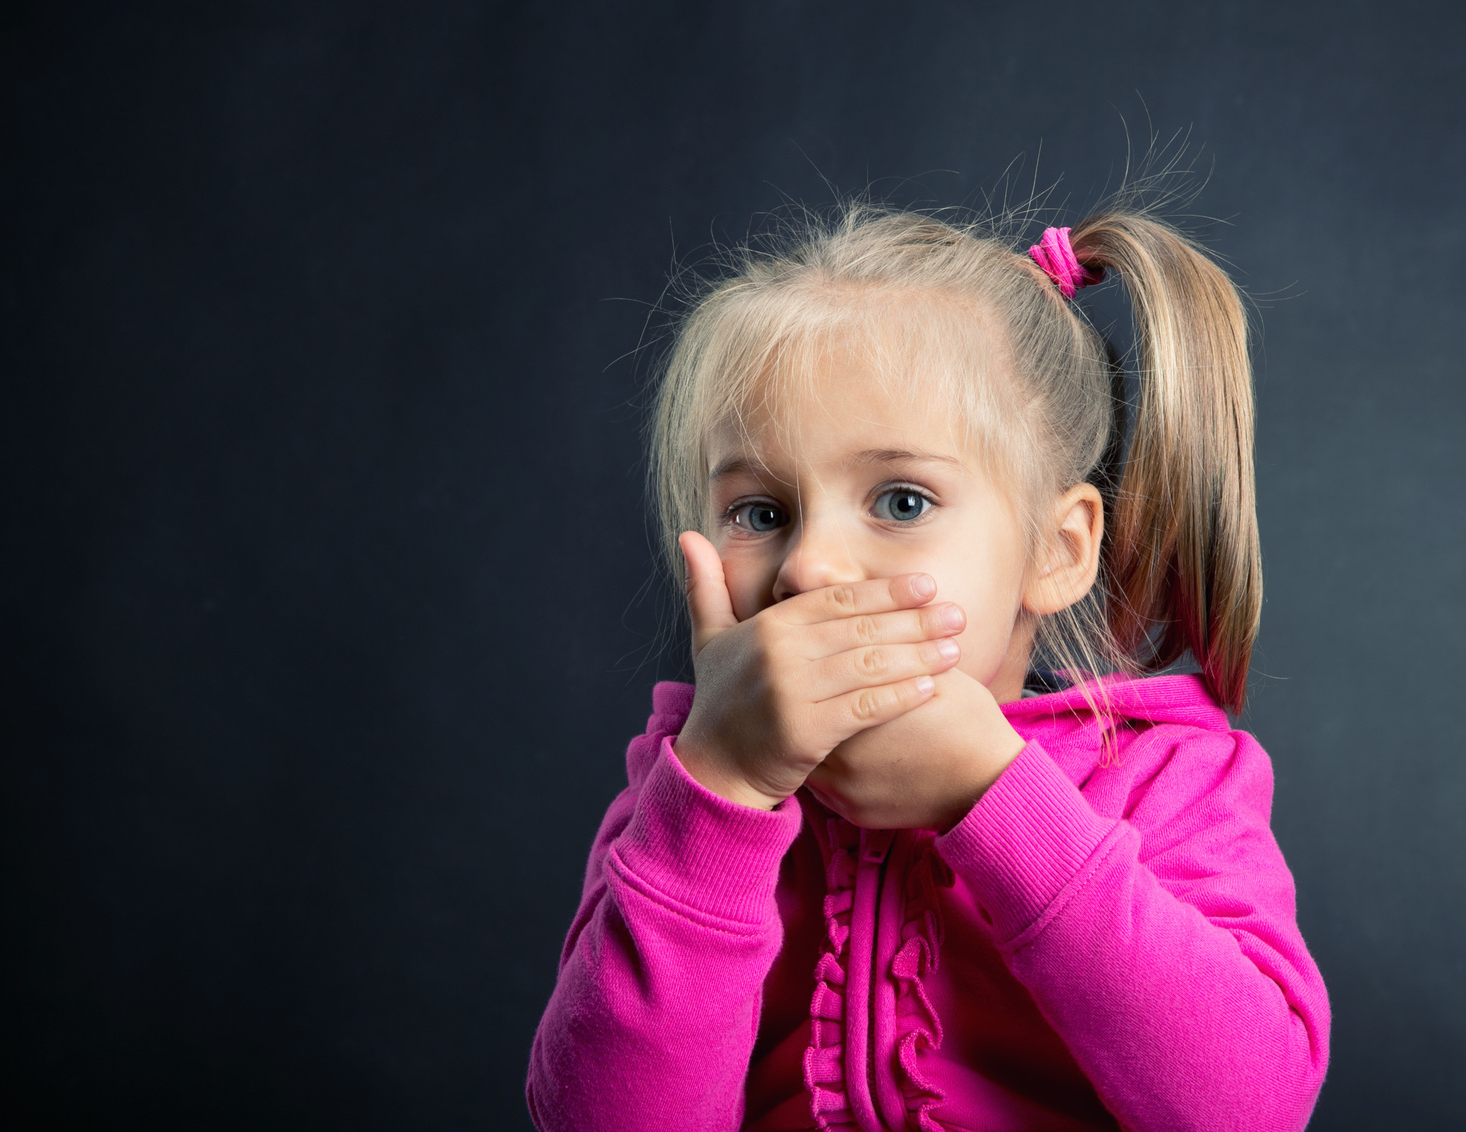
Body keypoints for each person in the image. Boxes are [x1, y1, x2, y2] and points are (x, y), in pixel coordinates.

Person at [526, 190, 1330, 1131]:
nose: (810, 565)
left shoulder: (1168, 774)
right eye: (760, 512)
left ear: (1056, 550)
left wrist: (994, 794)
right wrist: (720, 796)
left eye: (902, 501)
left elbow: (1252, 1107)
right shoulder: (684, 781)